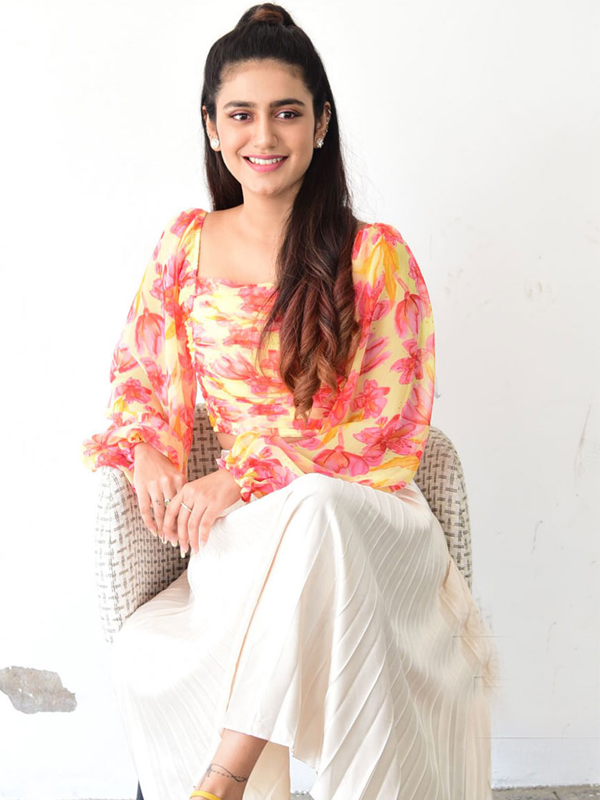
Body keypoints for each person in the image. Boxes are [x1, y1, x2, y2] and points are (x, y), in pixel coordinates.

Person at [81, 4, 500, 800]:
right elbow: (141, 380)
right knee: (301, 514)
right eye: (241, 114)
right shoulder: (185, 248)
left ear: (321, 123)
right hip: (251, 538)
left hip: (367, 519)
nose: (264, 135)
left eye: (287, 112)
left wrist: (242, 476)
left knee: (318, 506)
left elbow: (390, 429)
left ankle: (224, 775)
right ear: (212, 128)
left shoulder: (374, 255)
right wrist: (146, 453)